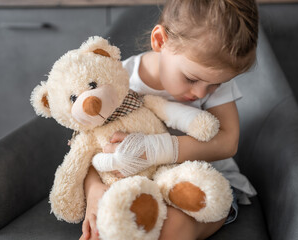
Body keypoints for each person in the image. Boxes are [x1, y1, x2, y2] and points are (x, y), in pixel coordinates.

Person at [80, 0, 259, 239]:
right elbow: (86, 146)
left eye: (216, 84)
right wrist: (93, 190)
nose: (201, 93)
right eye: (191, 79)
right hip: (137, 184)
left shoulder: (213, 77)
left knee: (173, 226)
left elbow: (228, 142)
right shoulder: (118, 81)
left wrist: (155, 149)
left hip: (205, 183)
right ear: (160, 41)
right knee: (115, 225)